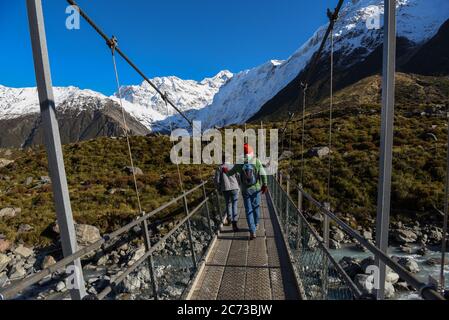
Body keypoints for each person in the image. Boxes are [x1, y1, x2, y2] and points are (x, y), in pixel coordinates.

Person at [223, 144, 268, 240]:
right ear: (252, 152)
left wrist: (225, 170)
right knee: (256, 207)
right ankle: (255, 224)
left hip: (245, 190)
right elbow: (263, 174)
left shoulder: (240, 162)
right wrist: (265, 184)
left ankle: (252, 231)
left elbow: (230, 173)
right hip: (256, 188)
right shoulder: (256, 161)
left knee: (248, 210)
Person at [215, 162, 240, 232]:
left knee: (228, 204)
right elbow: (238, 176)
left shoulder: (219, 167)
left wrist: (218, 188)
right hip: (234, 187)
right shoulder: (233, 165)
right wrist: (238, 185)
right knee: (234, 205)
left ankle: (229, 220)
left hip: (225, 188)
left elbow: (217, 180)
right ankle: (234, 222)